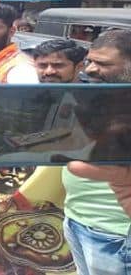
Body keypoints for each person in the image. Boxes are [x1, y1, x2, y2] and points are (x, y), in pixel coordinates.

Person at [61, 30, 131, 275]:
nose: (90, 69)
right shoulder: (98, 97)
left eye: (102, 63)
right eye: (90, 61)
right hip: (77, 219)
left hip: (114, 232)